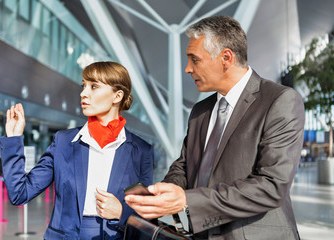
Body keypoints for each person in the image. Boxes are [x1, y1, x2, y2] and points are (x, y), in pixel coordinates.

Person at [125, 15, 304, 240]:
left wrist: (187, 201)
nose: (187, 69)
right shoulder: (200, 111)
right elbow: (184, 166)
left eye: (194, 59)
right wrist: (164, 193)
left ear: (226, 58)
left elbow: (271, 186)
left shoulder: (280, 101)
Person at [0, 61, 154, 240]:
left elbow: (148, 213)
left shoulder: (141, 150)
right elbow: (20, 193)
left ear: (117, 96)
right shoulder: (64, 141)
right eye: (84, 86)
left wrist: (121, 211)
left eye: (94, 86)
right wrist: (13, 139)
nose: (83, 93)